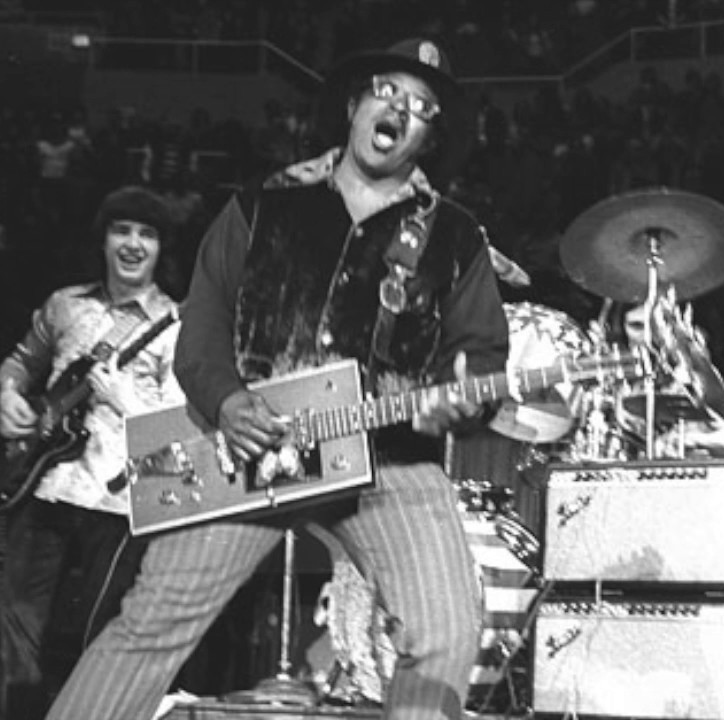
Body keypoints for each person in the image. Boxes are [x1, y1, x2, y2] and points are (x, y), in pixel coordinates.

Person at [42, 38, 510, 720]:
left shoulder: (456, 236)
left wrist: (459, 402)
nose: (400, 110)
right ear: (354, 105)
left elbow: (480, 358)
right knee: (151, 624)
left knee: (447, 632)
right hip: (250, 446)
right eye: (387, 90)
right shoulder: (262, 202)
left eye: (422, 107)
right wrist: (227, 402)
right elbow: (201, 328)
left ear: (429, 137)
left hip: (387, 453)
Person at [0, 185, 184, 720]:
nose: (132, 244)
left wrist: (126, 401)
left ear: (160, 249)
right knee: (15, 634)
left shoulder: (177, 326)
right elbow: (20, 362)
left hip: (118, 507)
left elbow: (180, 431)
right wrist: (7, 396)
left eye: (146, 234)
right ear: (102, 240)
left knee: (95, 646)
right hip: (44, 490)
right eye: (121, 230)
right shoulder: (65, 305)